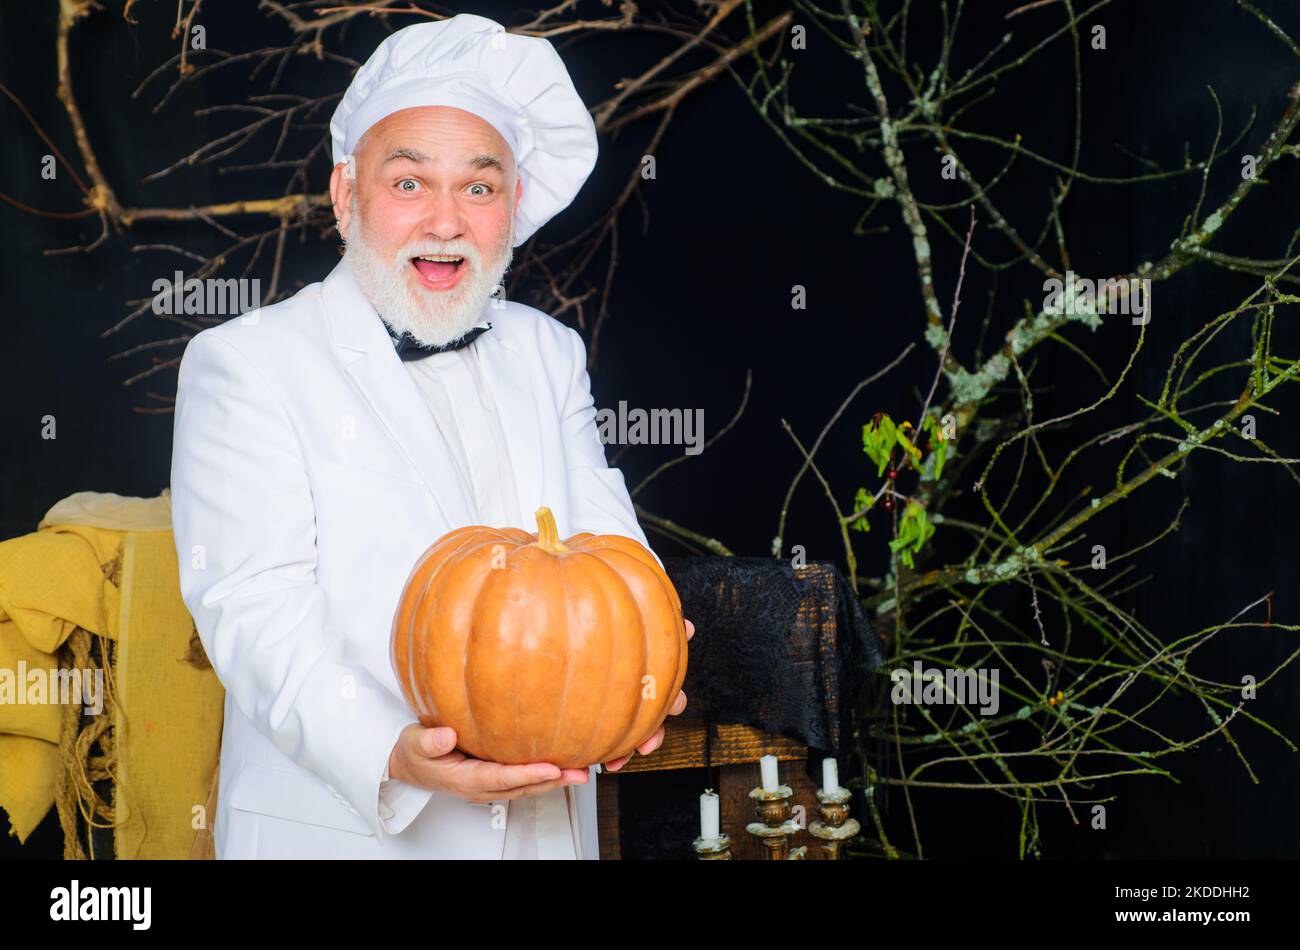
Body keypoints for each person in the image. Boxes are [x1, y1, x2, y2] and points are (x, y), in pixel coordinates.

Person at [170, 13, 692, 859]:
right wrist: (391, 751)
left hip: (544, 832)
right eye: (409, 182)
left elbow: (611, 546)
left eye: (479, 188)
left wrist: (646, 662)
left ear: (513, 206)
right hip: (345, 832)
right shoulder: (245, 362)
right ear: (347, 194)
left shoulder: (548, 352)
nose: (445, 221)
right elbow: (251, 606)